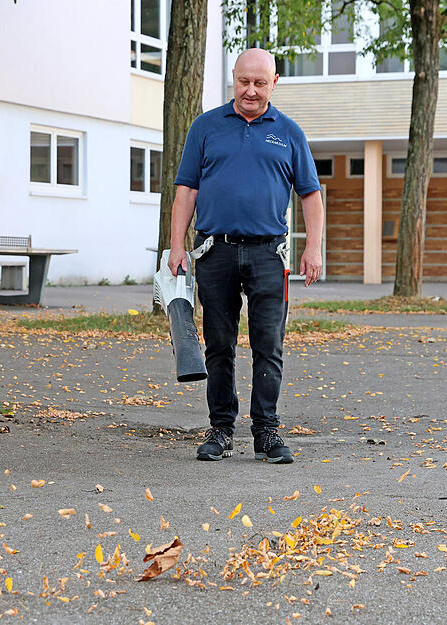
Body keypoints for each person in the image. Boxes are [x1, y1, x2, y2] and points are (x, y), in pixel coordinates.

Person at [167, 48, 324, 464]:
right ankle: (220, 429)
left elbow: (310, 193)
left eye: (259, 83)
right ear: (233, 79)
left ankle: (266, 432)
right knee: (219, 345)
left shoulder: (289, 132)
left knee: (268, 345)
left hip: (269, 255)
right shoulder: (206, 127)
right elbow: (186, 190)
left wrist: (314, 247)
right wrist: (177, 246)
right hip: (214, 251)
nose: (250, 91)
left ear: (274, 83)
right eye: (243, 82)